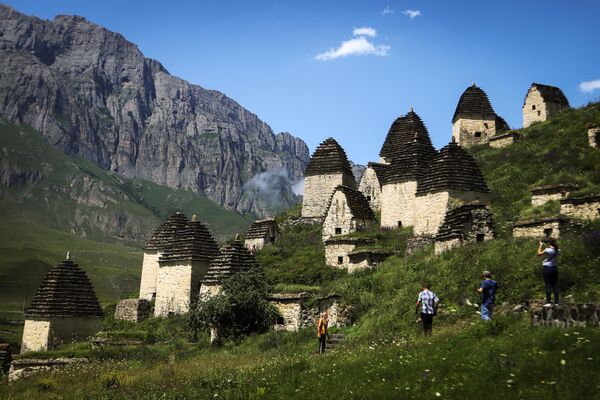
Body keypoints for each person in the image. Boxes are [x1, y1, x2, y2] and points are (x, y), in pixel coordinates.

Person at [537, 238, 560, 305]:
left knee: (548, 285)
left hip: (547, 268)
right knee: (555, 285)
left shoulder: (547, 250)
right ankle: (556, 302)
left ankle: (548, 302)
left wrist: (540, 245)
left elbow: (539, 254)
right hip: (555, 268)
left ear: (549, 243)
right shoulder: (558, 250)